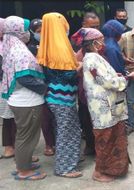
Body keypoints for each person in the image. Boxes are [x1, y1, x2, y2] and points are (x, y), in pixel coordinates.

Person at [80, 27, 134, 183]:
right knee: (105, 140)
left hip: (110, 105)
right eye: (101, 40)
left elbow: (104, 76)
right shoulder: (92, 59)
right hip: (102, 108)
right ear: (94, 43)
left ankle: (115, 169)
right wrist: (128, 78)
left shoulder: (95, 57)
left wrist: (118, 75)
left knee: (114, 136)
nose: (103, 42)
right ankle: (100, 171)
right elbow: (106, 81)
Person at [37, 12, 82, 178]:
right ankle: (65, 168)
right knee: (67, 132)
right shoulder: (59, 47)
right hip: (63, 98)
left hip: (53, 96)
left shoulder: (46, 44)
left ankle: (70, 159)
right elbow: (67, 76)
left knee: (63, 130)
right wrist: (80, 67)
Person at [2, 16, 47, 180]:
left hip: (19, 99)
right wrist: (45, 89)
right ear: (18, 31)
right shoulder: (19, 50)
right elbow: (24, 78)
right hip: (26, 102)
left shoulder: (11, 46)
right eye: (25, 29)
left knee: (24, 134)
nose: (28, 33)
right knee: (27, 136)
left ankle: (23, 163)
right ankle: (23, 171)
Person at [70, 12, 101, 156]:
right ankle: (89, 144)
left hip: (97, 86)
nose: (96, 30)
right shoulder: (75, 42)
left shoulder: (99, 41)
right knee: (85, 116)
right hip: (82, 84)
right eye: (92, 27)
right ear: (84, 26)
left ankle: (96, 145)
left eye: (97, 26)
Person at [27, 18, 55, 157]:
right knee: (46, 116)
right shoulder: (31, 47)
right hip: (41, 84)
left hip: (55, 82)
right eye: (38, 31)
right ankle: (49, 144)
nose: (41, 33)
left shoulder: (52, 43)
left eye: (43, 30)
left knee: (57, 115)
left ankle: (57, 141)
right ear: (32, 32)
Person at [0, 17, 16, 160]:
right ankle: (9, 147)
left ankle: (12, 147)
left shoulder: (6, 43)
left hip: (7, 83)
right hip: (4, 85)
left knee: (12, 116)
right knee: (8, 116)